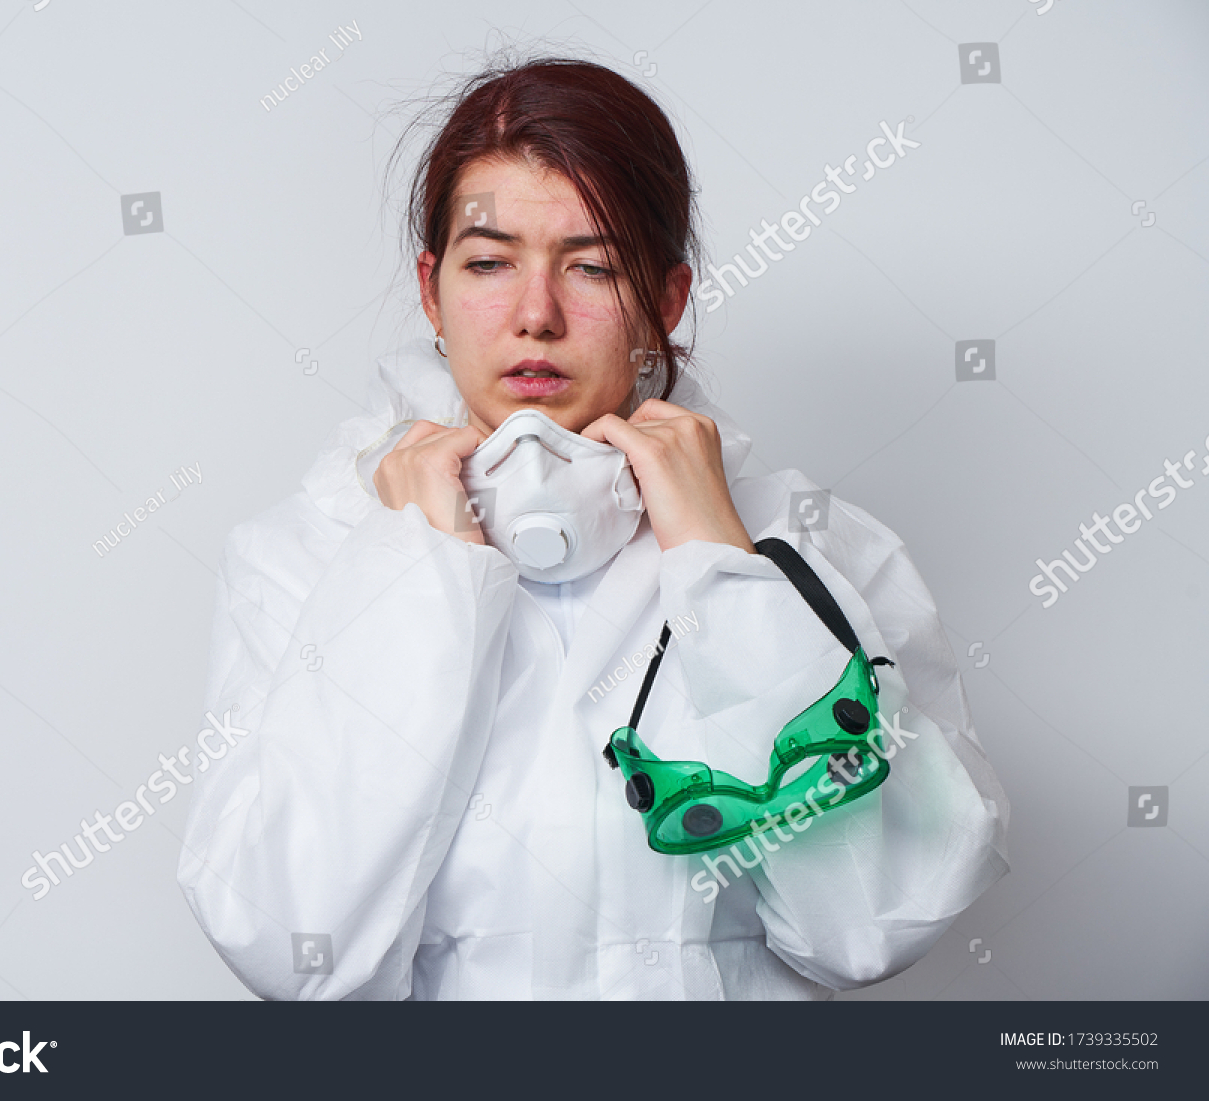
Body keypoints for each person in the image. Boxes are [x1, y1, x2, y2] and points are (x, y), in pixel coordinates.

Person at [177, 56, 1008, 1000]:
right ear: (430, 288)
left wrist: (721, 568)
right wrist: (416, 569)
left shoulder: (809, 544)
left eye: (593, 266)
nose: (535, 315)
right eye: (489, 263)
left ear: (666, 298)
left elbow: (877, 922)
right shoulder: (307, 551)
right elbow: (294, 951)